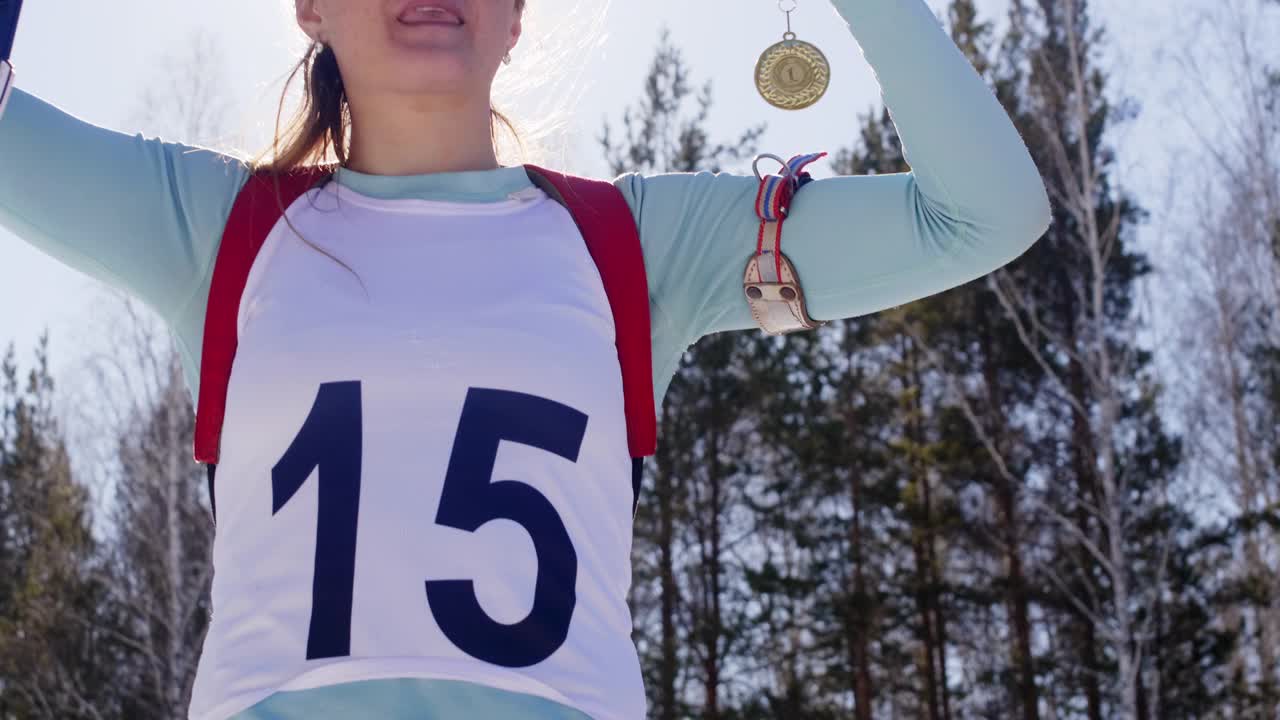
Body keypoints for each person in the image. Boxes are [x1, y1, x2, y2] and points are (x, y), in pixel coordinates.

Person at [0, 0, 1052, 718]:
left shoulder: (635, 245)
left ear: (517, 13)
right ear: (308, 4)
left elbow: (980, 216)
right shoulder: (213, 227)